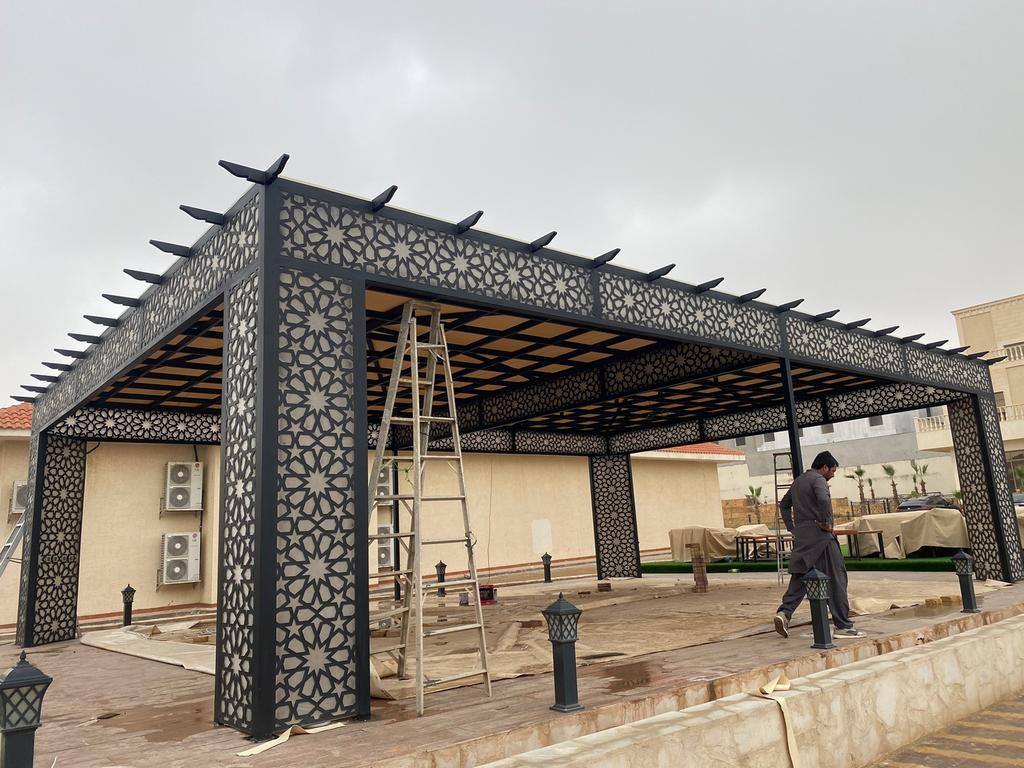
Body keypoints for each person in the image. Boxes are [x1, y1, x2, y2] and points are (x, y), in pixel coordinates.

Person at [773, 451, 865, 639]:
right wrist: (826, 522)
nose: (833, 474)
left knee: (800, 578)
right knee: (836, 579)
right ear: (824, 467)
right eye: (833, 470)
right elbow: (823, 500)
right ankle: (843, 626)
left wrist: (792, 527)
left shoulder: (798, 481)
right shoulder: (818, 480)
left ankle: (784, 613)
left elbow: (784, 505)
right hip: (822, 538)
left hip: (802, 538)